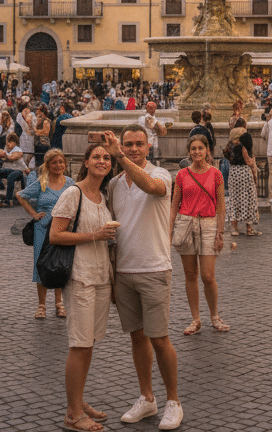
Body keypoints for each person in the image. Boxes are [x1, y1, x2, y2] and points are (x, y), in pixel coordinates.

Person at [103, 126, 183, 430]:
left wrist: (121, 158)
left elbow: (150, 187)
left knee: (159, 338)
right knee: (137, 337)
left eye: (138, 144)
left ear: (148, 146)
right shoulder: (113, 184)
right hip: (124, 271)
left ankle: (173, 401)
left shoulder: (162, 173)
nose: (133, 148)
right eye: (127, 144)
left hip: (154, 268)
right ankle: (147, 398)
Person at [49, 142, 117, 432]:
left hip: (101, 276)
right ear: (86, 162)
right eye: (96, 157)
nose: (102, 161)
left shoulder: (102, 197)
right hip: (79, 277)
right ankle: (73, 415)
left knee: (88, 345)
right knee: (79, 345)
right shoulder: (72, 193)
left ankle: (76, 402)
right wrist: (95, 235)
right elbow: (55, 235)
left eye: (106, 157)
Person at [170, 134, 228, 335]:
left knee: (207, 275)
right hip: (186, 222)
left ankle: (214, 315)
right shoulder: (182, 175)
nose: (196, 152)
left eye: (200, 148)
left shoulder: (216, 174)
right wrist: (169, 231)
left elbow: (221, 206)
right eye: (193, 148)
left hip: (209, 223)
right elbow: (174, 204)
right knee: (190, 274)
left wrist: (220, 233)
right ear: (189, 151)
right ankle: (196, 319)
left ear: (207, 151)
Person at [17, 149, 74, 319]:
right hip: (42, 229)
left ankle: (59, 304)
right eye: (54, 162)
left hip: (61, 229)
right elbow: (21, 195)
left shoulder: (70, 183)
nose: (59, 165)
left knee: (59, 264)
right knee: (41, 265)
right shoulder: (42, 182)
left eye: (61, 162)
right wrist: (34, 214)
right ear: (48, 166)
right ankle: (41, 305)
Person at [223, 119, 260, 236]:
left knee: (234, 199)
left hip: (233, 173)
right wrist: (253, 162)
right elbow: (248, 161)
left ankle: (235, 229)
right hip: (244, 172)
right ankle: (249, 228)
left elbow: (228, 158)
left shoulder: (230, 146)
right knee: (249, 198)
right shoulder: (244, 144)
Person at [0, 133, 27, 208]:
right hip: (9, 170)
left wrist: (5, 155)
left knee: (11, 176)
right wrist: (1, 153)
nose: (8, 144)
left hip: (19, 171)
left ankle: (8, 200)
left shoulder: (18, 150)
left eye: (10, 142)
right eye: (8, 141)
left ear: (15, 142)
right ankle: (2, 189)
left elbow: (13, 157)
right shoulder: (6, 150)